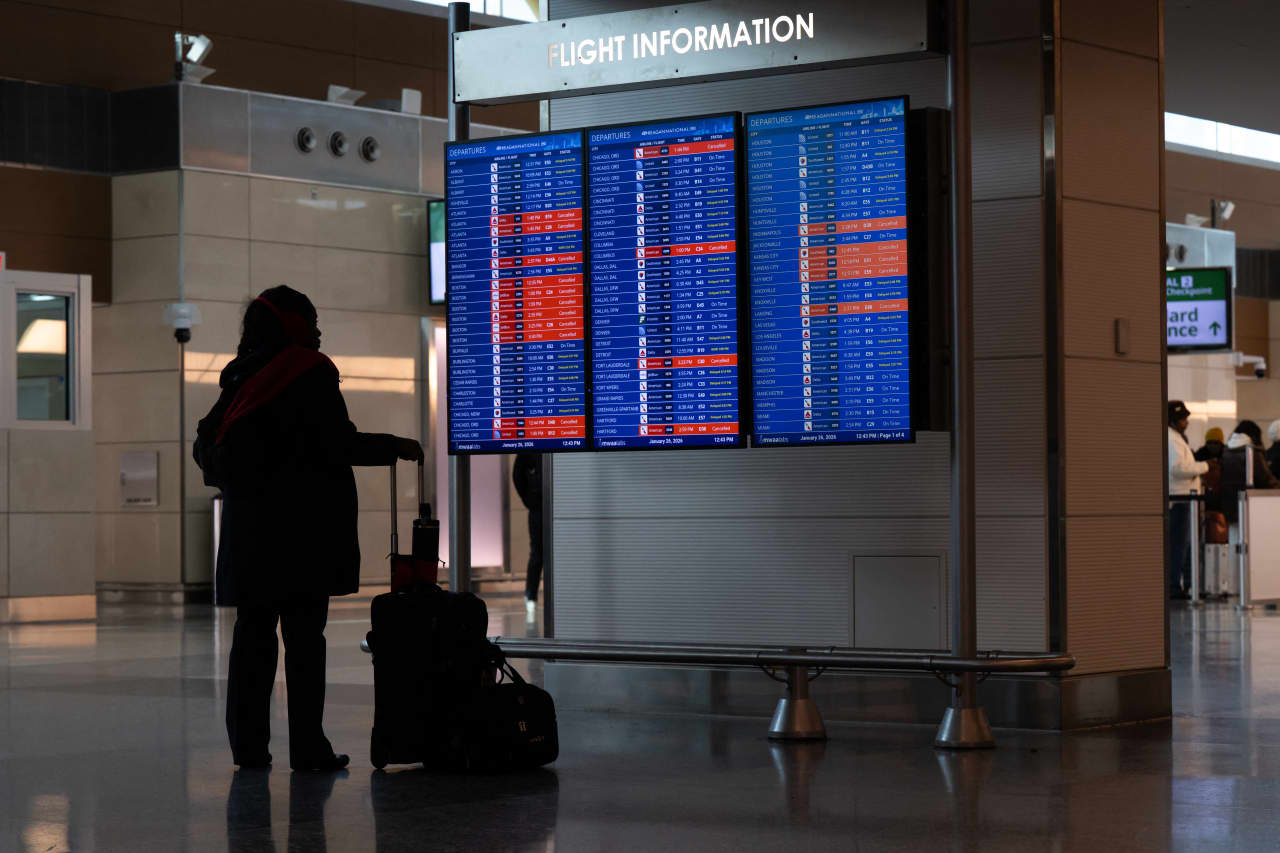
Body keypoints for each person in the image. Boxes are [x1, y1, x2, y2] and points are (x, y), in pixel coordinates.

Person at [194, 285, 423, 771]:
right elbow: (336, 443)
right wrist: (393, 446)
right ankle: (308, 748)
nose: (319, 330)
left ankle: (248, 748)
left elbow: (206, 442)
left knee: (252, 638)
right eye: (312, 320)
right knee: (303, 641)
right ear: (294, 324)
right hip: (303, 534)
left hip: (250, 535)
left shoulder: (240, 374)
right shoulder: (308, 370)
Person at [1168, 401, 1209, 600]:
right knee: (1179, 545)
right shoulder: (1171, 439)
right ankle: (1174, 585)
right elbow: (1177, 468)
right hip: (1180, 499)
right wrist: (1204, 466)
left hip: (1185, 499)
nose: (1187, 422)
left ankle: (1186, 584)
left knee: (1184, 545)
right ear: (1173, 421)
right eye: (1183, 419)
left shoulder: (1176, 438)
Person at [1221, 419, 1280, 525]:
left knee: (1235, 532)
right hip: (1252, 505)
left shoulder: (1226, 451)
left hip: (1229, 504)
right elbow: (1265, 479)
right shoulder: (1252, 453)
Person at [512, 452, 543, 621]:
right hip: (537, 507)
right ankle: (531, 595)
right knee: (537, 554)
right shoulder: (529, 451)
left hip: (541, 505)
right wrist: (529, 500)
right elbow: (517, 475)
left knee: (538, 554)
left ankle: (531, 595)